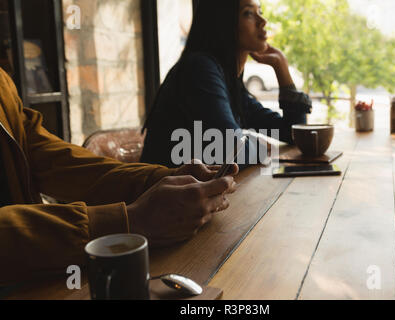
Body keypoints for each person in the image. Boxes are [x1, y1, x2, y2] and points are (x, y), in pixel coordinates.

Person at [0, 67, 238, 286]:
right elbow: (237, 142)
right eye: (251, 15)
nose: (262, 22)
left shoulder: (2, 84)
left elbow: (53, 160)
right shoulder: (201, 69)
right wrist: (125, 223)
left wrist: (160, 179)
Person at [140, 0, 312, 168]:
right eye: (248, 13)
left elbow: (296, 134)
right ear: (223, 23)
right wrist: (259, 145)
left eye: (260, 11)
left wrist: (281, 67)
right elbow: (233, 152)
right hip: (163, 194)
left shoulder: (229, 85)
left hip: (191, 193)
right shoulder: (200, 69)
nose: (263, 21)